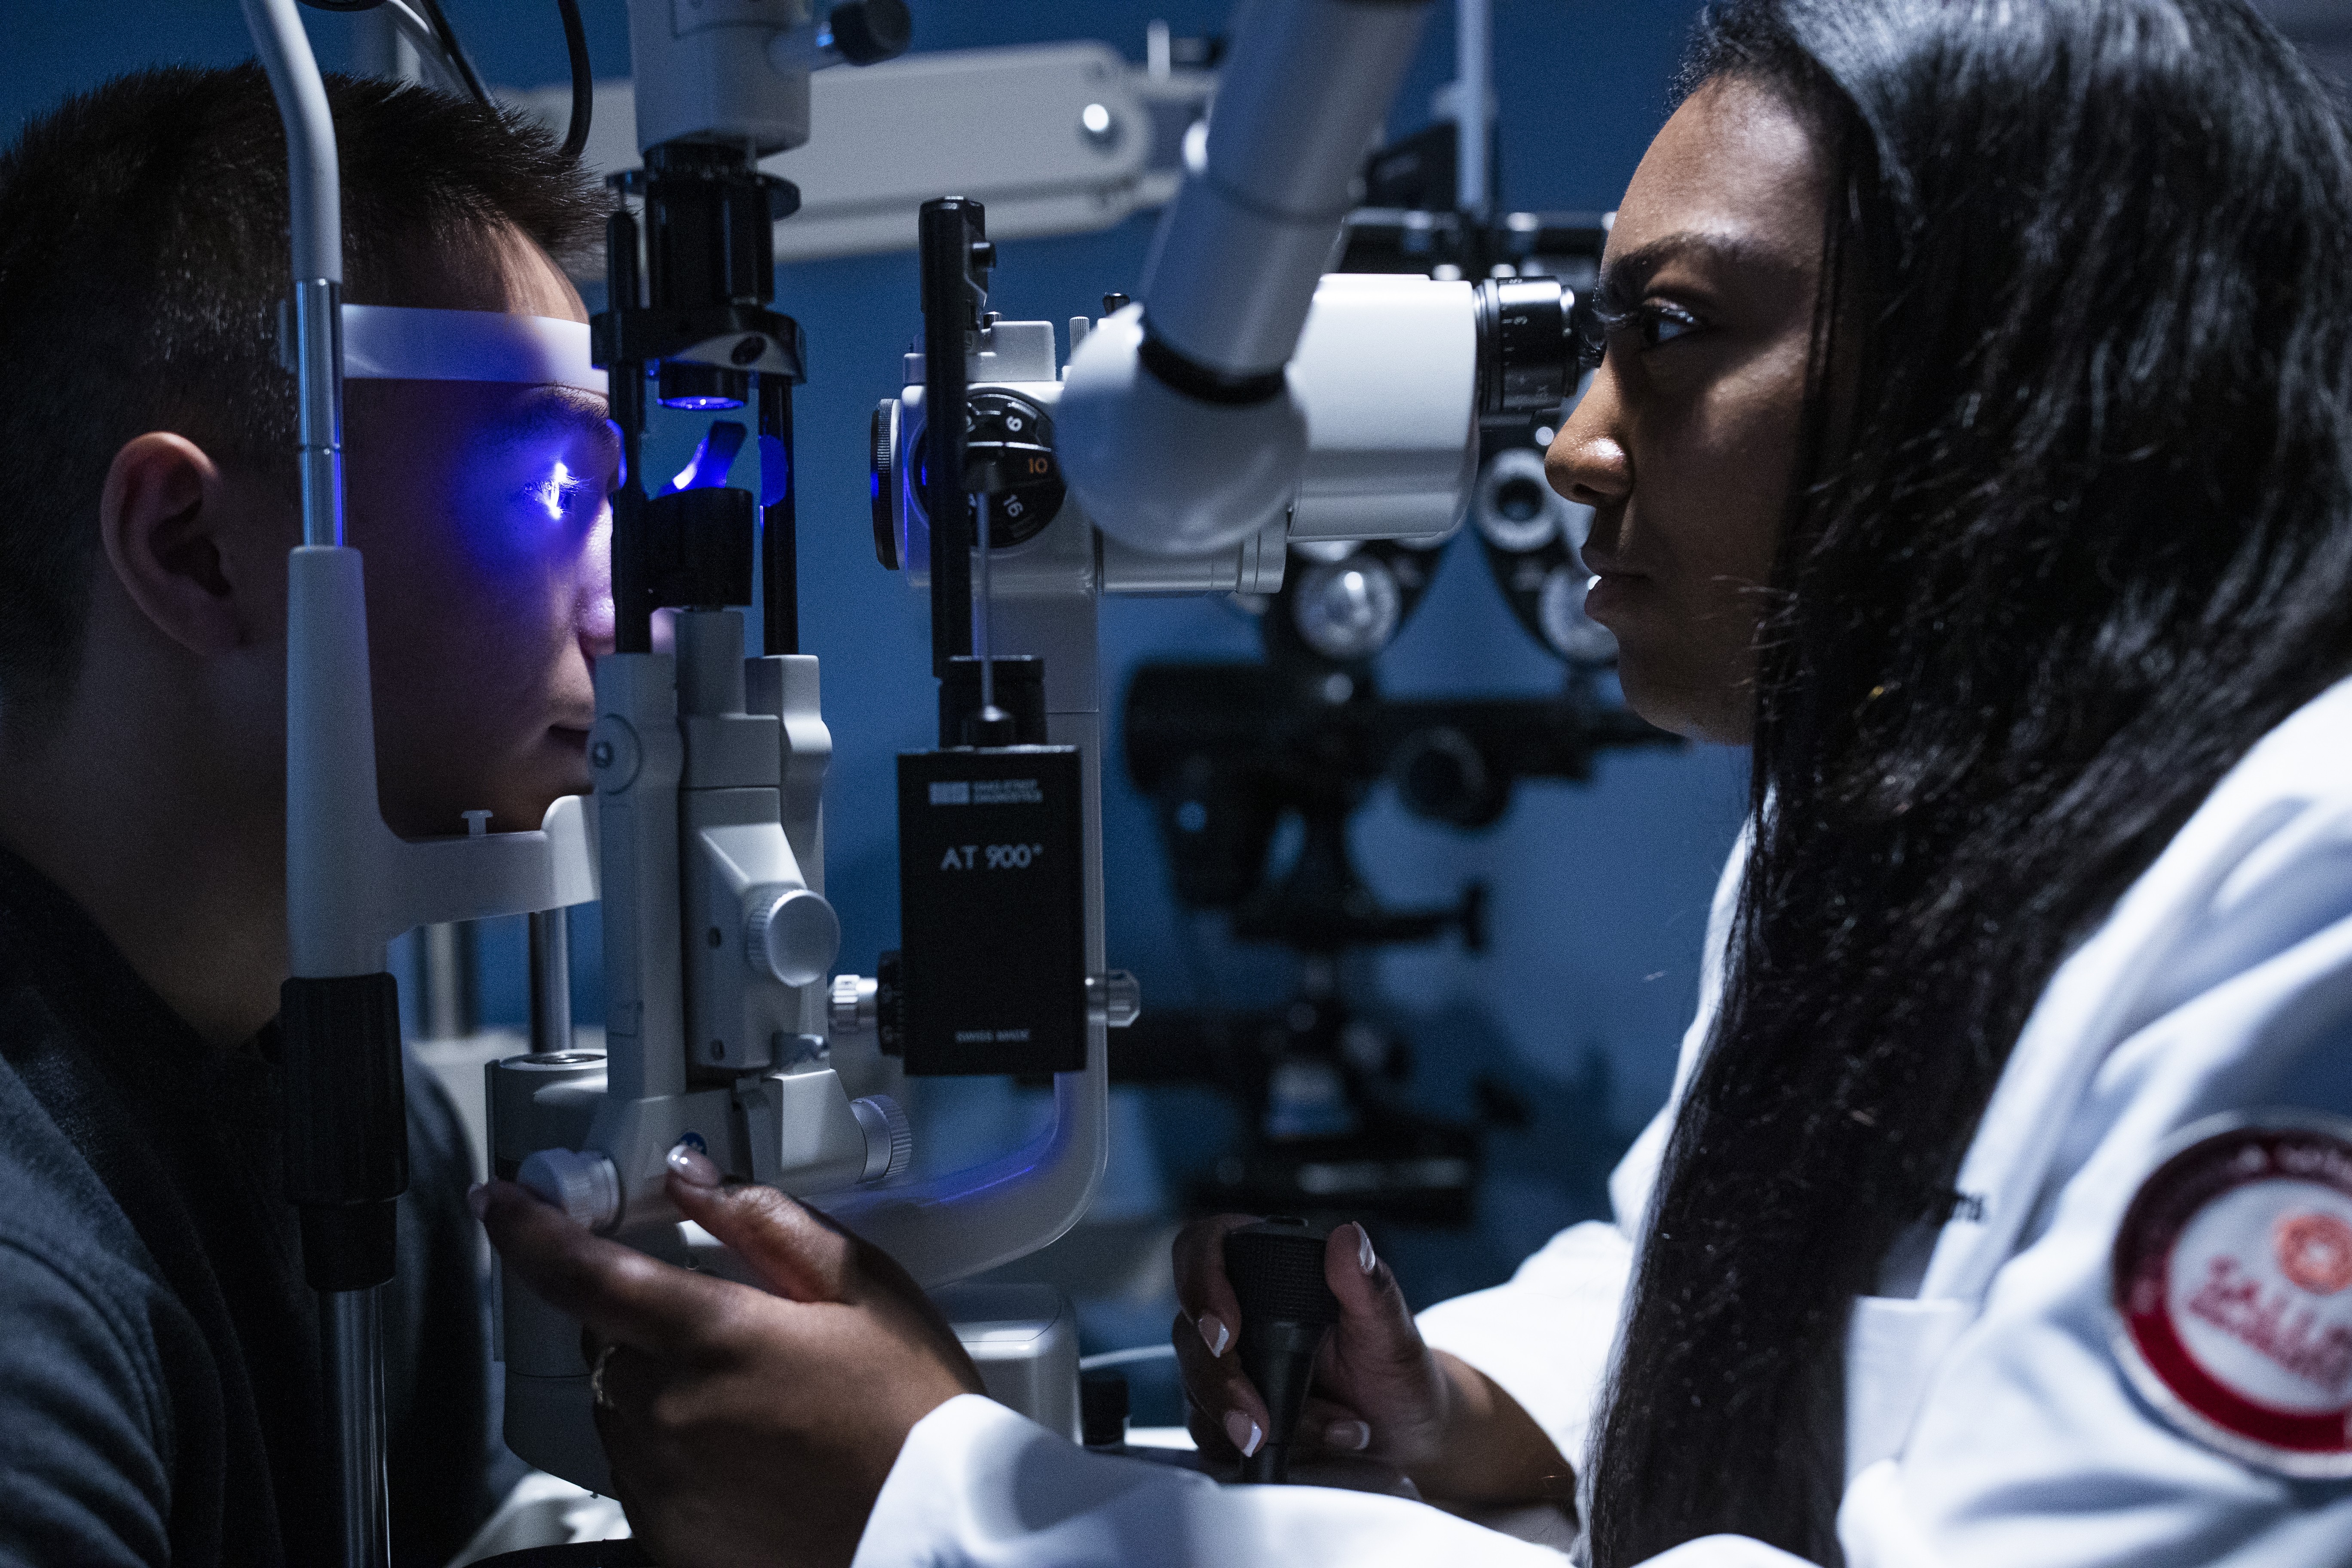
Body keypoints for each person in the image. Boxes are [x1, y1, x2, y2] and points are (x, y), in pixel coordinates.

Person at [480, 0, 2352, 1562]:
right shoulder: (1894, 829)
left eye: (1674, 332)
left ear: (2003, 375)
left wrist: (953, 1499)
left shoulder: (2311, 885)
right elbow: (1752, 1278)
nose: (1578, 443)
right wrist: (1462, 1410)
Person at [0, 67, 614, 1565]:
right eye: (549, 489)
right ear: (198, 550)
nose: (625, 600)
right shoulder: (29, 1287)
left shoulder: (337, 1093)